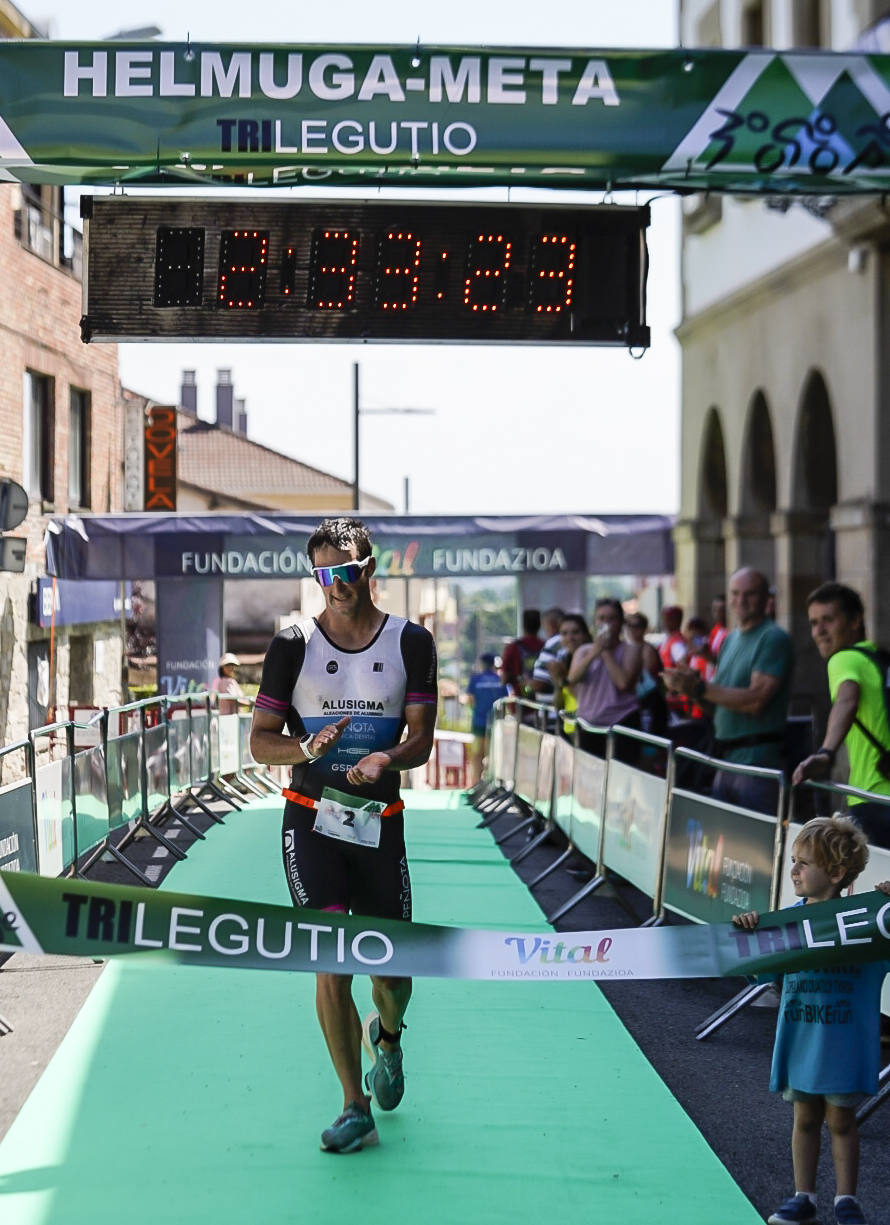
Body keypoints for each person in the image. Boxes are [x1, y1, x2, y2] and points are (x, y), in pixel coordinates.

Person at [249, 517, 438, 1154]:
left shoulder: (411, 641)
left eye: (346, 569)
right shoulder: (292, 645)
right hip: (311, 816)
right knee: (331, 961)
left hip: (379, 821)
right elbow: (259, 744)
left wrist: (387, 759)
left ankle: (388, 1035)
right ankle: (354, 1104)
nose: (336, 583)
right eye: (324, 572)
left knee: (394, 969)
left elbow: (421, 739)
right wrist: (305, 744)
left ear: (369, 568)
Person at [733, 816, 890, 1225]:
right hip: (802, 1037)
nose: (794, 871)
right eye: (794, 861)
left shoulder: (872, 921)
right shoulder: (786, 920)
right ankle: (804, 1197)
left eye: (804, 863)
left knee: (841, 1119)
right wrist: (750, 934)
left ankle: (846, 1200)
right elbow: (760, 972)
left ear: (837, 873)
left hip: (844, 1042)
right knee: (804, 1117)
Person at [664, 567, 794, 814]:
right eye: (735, 593)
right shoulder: (730, 640)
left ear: (766, 598)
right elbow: (717, 707)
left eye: (750, 594)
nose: (740, 600)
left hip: (756, 764)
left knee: (755, 846)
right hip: (724, 761)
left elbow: (756, 700)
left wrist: (701, 687)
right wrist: (690, 690)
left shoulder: (773, 638)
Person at [792, 583, 890, 848]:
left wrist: (826, 752)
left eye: (828, 620)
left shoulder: (843, 658)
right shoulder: (878, 659)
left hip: (873, 799)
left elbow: (847, 699)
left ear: (856, 620)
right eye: (814, 623)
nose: (819, 632)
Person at [567, 598, 641, 757]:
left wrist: (606, 652)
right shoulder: (583, 651)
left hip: (621, 723)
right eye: (601, 618)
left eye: (612, 618)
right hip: (588, 725)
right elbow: (572, 679)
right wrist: (594, 652)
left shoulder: (630, 650)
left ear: (621, 622)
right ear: (595, 622)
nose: (606, 623)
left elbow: (623, 683)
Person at [543, 613, 591, 740]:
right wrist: (557, 681)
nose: (570, 638)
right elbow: (558, 705)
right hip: (570, 731)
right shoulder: (564, 660)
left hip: (588, 730)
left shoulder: (593, 659)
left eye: (575, 632)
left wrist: (563, 678)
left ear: (585, 634)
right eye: (564, 633)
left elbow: (587, 699)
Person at [466, 652, 509, 781]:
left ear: (482, 664)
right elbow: (505, 702)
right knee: (493, 753)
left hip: (478, 722)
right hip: (495, 723)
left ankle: (476, 782)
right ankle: (490, 782)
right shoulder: (500, 680)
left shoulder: (475, 679)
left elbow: (470, 700)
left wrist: (476, 710)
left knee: (477, 754)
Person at [625, 611, 667, 737]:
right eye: (629, 625)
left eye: (636, 626)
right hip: (634, 703)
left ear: (644, 628)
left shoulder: (647, 650)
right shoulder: (627, 649)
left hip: (649, 703)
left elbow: (646, 679)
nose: (632, 629)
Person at [500, 609, 543, 699]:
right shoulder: (546, 646)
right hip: (544, 702)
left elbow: (504, 680)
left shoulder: (513, 647)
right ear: (540, 625)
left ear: (522, 625)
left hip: (520, 703)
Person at [530, 606, 566, 710]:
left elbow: (539, 683)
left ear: (551, 624)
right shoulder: (569, 644)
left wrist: (527, 684)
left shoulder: (553, 643)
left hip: (552, 710)